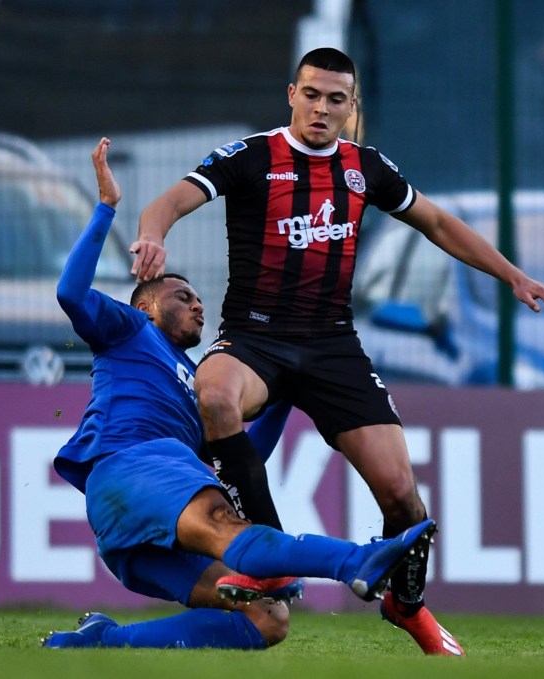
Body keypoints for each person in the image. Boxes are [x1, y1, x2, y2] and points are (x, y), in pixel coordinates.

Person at [131, 47, 544, 656]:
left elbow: (439, 224)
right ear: (292, 94)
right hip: (255, 337)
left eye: (335, 98)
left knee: (403, 497)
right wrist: (152, 235)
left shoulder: (364, 169)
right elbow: (171, 201)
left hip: (333, 345)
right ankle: (265, 555)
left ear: (351, 107)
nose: (321, 107)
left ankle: (406, 603)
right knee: (215, 393)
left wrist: (513, 276)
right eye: (311, 94)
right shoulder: (252, 156)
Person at [43, 136, 437, 650]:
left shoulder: (200, 381)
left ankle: (98, 643)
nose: (198, 307)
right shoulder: (128, 331)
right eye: (183, 296)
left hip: (143, 527)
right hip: (131, 466)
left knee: (267, 617)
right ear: (146, 306)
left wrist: (285, 387)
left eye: (202, 300)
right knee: (228, 526)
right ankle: (355, 561)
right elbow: (70, 293)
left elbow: (239, 458)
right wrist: (106, 209)